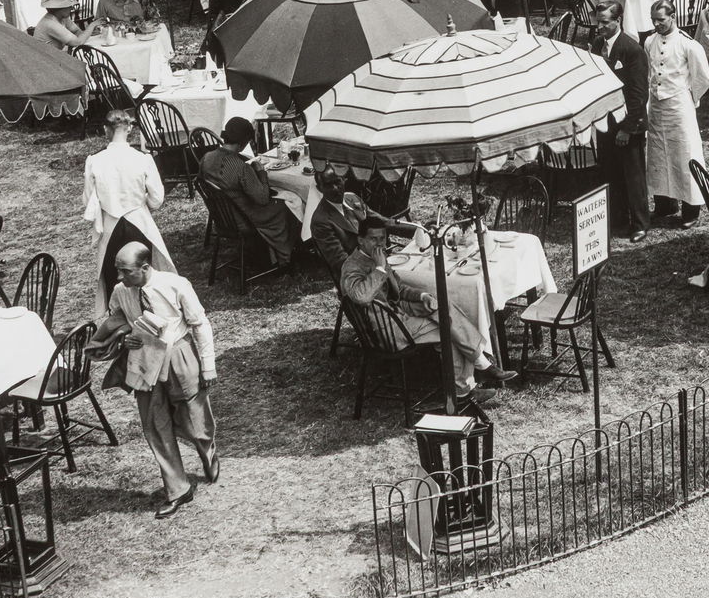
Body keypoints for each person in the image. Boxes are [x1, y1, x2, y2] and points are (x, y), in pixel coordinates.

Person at [92, 243, 219, 519]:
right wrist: (124, 339)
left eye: (126, 272)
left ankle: (207, 449)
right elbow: (117, 322)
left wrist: (207, 366)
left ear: (145, 268)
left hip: (178, 356)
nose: (121, 277)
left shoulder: (176, 285)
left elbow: (200, 323)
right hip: (145, 363)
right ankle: (178, 489)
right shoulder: (120, 292)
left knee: (195, 419)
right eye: (118, 271)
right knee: (155, 424)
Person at [340, 216, 512, 406]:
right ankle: (466, 387)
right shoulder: (352, 267)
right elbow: (361, 297)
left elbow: (400, 288)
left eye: (382, 238)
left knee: (441, 304)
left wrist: (422, 296)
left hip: (397, 313)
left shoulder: (376, 256)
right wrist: (380, 268)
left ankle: (476, 371)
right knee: (448, 329)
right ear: (360, 240)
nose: (379, 244)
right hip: (386, 330)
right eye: (374, 239)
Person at [83, 110, 176, 318]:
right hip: (138, 223)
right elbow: (157, 199)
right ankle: (151, 314)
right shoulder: (142, 159)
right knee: (143, 272)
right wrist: (142, 202)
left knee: (114, 274)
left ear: (106, 129)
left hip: (111, 226)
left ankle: (119, 318)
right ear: (130, 129)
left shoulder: (95, 161)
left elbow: (88, 199)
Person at [644, 0, 709, 229]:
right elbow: (649, 74)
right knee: (658, 155)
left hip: (679, 107)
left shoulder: (689, 45)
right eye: (653, 20)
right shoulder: (649, 42)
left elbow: (703, 78)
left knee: (684, 154)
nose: (656, 24)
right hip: (656, 107)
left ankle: (691, 209)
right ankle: (665, 204)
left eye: (661, 19)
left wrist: (689, 99)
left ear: (673, 16)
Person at [199, 117, 300, 269]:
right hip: (242, 219)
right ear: (244, 141)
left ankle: (272, 251)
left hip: (223, 217)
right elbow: (262, 199)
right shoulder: (241, 168)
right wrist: (261, 174)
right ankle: (284, 257)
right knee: (289, 205)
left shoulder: (206, 158)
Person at [592, 1, 651, 242]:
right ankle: (618, 218)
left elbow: (639, 94)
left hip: (628, 121)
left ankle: (640, 223)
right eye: (598, 21)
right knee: (610, 171)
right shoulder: (597, 45)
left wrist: (628, 128)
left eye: (605, 22)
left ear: (618, 21)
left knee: (633, 174)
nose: (600, 27)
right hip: (606, 120)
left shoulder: (632, 49)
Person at [309, 167, 416, 274]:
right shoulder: (321, 221)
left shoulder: (352, 199)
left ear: (344, 179)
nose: (335, 188)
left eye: (337, 182)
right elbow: (341, 262)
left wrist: (418, 230)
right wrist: (379, 269)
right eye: (328, 185)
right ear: (319, 189)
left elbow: (382, 222)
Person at [33, 0, 104, 50]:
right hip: (46, 59)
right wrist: (92, 25)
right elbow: (77, 43)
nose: (72, 8)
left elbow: (77, 31)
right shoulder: (50, 24)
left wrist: (87, 34)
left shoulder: (62, 17)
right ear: (60, 8)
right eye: (69, 6)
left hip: (54, 55)